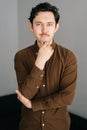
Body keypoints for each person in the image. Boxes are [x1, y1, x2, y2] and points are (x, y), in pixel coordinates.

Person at [14, 2, 77, 130]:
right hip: (29, 125)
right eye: (39, 24)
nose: (44, 30)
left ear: (56, 27)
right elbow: (25, 94)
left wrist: (33, 105)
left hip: (59, 125)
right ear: (31, 26)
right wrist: (39, 62)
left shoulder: (68, 57)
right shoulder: (21, 56)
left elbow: (67, 97)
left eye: (49, 24)